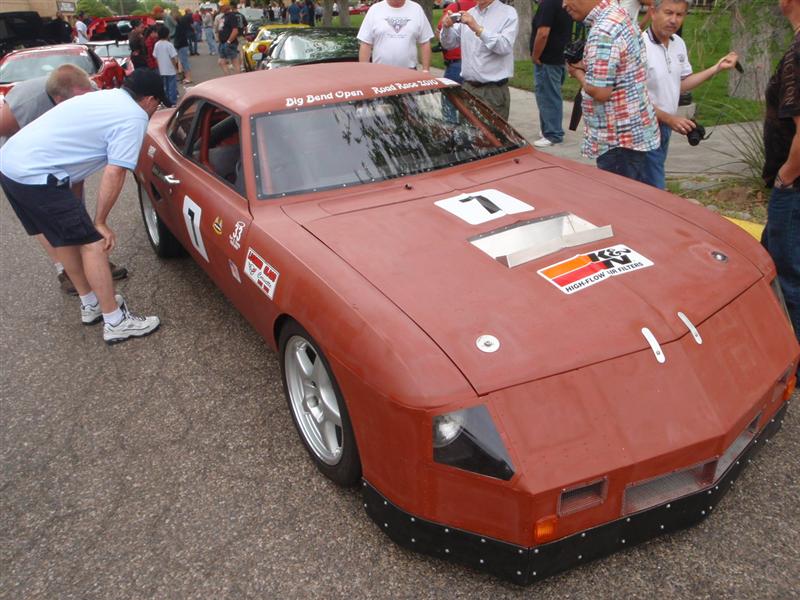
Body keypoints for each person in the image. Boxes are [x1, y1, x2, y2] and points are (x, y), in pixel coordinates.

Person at [0, 70, 165, 344]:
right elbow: (116, 171)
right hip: (36, 174)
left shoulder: (105, 98)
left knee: (64, 238)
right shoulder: (134, 116)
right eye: (157, 104)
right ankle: (115, 321)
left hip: (10, 166)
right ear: (149, 100)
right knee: (93, 243)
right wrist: (100, 222)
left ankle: (91, 304)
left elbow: (76, 166)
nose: (154, 110)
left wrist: (80, 214)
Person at [0, 65, 128, 294]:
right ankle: (65, 270)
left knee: (72, 214)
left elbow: (76, 165)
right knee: (45, 220)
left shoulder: (90, 93)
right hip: (19, 167)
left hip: (57, 162)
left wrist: (75, 213)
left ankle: (88, 260)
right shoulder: (29, 102)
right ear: (59, 99)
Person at [641, 0, 738, 189]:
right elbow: (633, 97)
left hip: (665, 127)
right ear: (653, 12)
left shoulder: (678, 43)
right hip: (642, 128)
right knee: (654, 188)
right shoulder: (639, 46)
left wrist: (717, 68)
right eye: (668, 13)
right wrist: (669, 119)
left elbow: (681, 84)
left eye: (679, 15)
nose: (673, 20)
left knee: (649, 186)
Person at [563, 0, 659, 183]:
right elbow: (619, 69)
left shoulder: (603, 31)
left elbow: (600, 92)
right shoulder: (618, 14)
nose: (564, 5)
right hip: (633, 134)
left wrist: (577, 73)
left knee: (619, 198)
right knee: (634, 194)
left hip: (617, 141)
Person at [762, 0, 800, 351]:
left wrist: (785, 177)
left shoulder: (797, 54)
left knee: (788, 279)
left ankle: (791, 363)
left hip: (794, 188)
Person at [439, 0, 518, 120]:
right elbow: (448, 44)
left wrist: (477, 28)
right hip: (468, 87)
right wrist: (446, 27)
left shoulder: (508, 13)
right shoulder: (470, 13)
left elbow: (504, 47)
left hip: (492, 91)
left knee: (490, 131)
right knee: (467, 131)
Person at [529, 0, 572, 147]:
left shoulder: (548, 4)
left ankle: (553, 134)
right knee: (549, 95)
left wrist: (535, 55)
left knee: (548, 97)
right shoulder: (562, 2)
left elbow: (543, 33)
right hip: (559, 56)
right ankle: (547, 129)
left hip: (547, 59)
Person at [358, 0, 434, 72]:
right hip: (380, 72)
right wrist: (365, 72)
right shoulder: (375, 9)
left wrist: (426, 70)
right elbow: (366, 43)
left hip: (409, 73)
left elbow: (425, 42)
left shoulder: (416, 9)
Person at [436, 0, 477, 84]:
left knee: (453, 91)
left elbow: (439, 31)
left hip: (456, 60)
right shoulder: (481, 7)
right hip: (476, 61)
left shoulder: (454, 6)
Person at [153, 26, 181, 107]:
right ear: (167, 34)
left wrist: (159, 66)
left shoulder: (157, 44)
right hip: (170, 69)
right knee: (172, 86)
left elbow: (155, 57)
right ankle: (172, 102)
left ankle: (166, 102)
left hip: (161, 69)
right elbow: (173, 58)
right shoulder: (169, 45)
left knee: (164, 87)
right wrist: (176, 68)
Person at [218, 3, 247, 75]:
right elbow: (221, 28)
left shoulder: (231, 16)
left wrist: (228, 41)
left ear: (225, 7)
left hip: (229, 43)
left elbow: (235, 30)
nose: (219, 8)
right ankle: (229, 77)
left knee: (234, 61)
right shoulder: (224, 16)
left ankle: (237, 77)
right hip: (223, 42)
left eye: (221, 6)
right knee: (222, 62)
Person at [175, 10, 194, 84]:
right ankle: (187, 77)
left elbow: (179, 36)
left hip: (181, 45)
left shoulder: (179, 26)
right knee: (183, 62)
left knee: (184, 62)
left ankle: (188, 77)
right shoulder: (182, 25)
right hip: (183, 44)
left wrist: (176, 44)